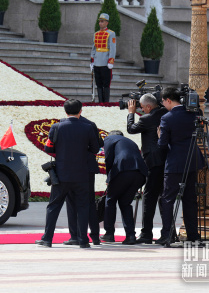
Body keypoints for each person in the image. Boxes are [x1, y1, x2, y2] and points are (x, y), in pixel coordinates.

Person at [36, 99, 100, 248]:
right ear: (81, 111)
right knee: (83, 207)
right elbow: (95, 149)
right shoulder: (87, 127)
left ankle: (47, 239)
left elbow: (48, 148)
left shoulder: (57, 127)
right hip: (82, 174)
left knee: (54, 206)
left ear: (65, 111)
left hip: (62, 174)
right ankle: (83, 241)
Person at [156, 87, 204, 245]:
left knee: (168, 199)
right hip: (193, 161)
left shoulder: (167, 118)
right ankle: (193, 235)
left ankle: (168, 235)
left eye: (163, 101)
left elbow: (162, 145)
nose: (163, 105)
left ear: (168, 100)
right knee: (190, 200)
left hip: (175, 164)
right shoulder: (194, 113)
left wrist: (159, 137)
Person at [126, 94, 168, 244]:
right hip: (166, 161)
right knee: (164, 197)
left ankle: (146, 233)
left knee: (149, 197)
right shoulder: (165, 113)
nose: (141, 110)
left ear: (149, 107)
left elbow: (131, 129)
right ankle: (168, 232)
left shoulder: (146, 119)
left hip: (153, 163)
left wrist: (131, 113)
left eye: (142, 107)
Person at [100, 130, 148, 245]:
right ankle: (130, 235)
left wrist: (109, 179)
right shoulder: (130, 141)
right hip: (140, 174)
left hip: (123, 171)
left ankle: (109, 234)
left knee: (110, 200)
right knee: (125, 203)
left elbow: (109, 160)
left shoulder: (109, 139)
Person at [63, 115, 104, 246]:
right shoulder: (90, 124)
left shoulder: (62, 124)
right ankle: (95, 236)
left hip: (69, 167)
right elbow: (98, 146)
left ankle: (74, 236)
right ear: (80, 110)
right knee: (89, 201)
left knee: (71, 201)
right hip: (87, 167)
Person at [90, 13, 116, 103]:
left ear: (107, 23)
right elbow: (94, 48)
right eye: (100, 21)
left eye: (102, 21)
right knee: (99, 84)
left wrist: (111, 61)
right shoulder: (96, 34)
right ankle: (100, 101)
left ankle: (106, 102)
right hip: (97, 61)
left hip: (105, 62)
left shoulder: (111, 34)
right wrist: (92, 59)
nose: (100, 23)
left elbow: (112, 48)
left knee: (106, 84)